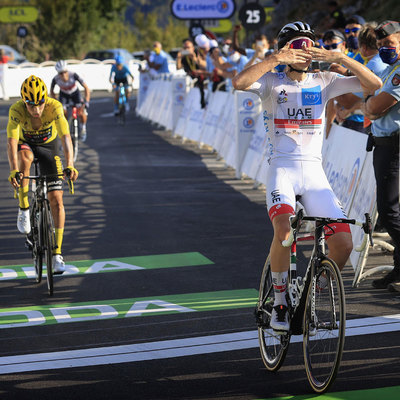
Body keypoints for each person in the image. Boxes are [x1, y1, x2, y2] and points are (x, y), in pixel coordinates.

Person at [232, 21, 382, 332]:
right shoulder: (272, 81)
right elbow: (238, 82)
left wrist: (337, 57)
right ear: (285, 48)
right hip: (282, 170)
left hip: (315, 175)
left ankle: (310, 292)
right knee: (284, 231)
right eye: (297, 45)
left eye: (308, 45)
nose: (304, 52)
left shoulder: (324, 79)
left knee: (343, 243)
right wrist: (275, 59)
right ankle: (281, 301)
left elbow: (374, 84)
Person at [7, 75, 79, 274]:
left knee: (56, 200)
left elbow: (66, 136)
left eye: (39, 104)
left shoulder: (54, 107)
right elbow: (12, 142)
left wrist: (70, 164)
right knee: (25, 159)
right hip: (26, 145)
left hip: (49, 146)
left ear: (45, 99)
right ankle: (23, 209)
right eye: (31, 106)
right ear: (24, 102)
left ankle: (56, 254)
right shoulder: (16, 110)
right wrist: (14, 170)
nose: (36, 110)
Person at [360, 20, 400, 291]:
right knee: (391, 211)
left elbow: (376, 105)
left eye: (390, 43)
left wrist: (370, 107)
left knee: (389, 212)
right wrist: (371, 107)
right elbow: (372, 107)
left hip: (394, 147)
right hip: (382, 144)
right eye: (381, 44)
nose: (385, 48)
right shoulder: (389, 70)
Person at [50, 60, 90, 142]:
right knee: (62, 112)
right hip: (64, 95)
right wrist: (55, 101)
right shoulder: (55, 79)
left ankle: (83, 128)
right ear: (58, 73)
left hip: (75, 94)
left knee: (81, 112)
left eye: (65, 72)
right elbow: (51, 91)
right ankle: (65, 131)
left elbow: (86, 87)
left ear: (67, 71)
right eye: (61, 73)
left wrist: (87, 101)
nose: (63, 75)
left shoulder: (74, 75)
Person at [176, 38, 207, 108]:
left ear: (193, 48)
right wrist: (178, 58)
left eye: (188, 47)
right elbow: (178, 67)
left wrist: (195, 59)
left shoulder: (198, 53)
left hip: (201, 79)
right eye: (185, 48)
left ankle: (202, 104)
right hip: (191, 80)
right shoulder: (184, 58)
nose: (186, 49)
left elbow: (204, 66)